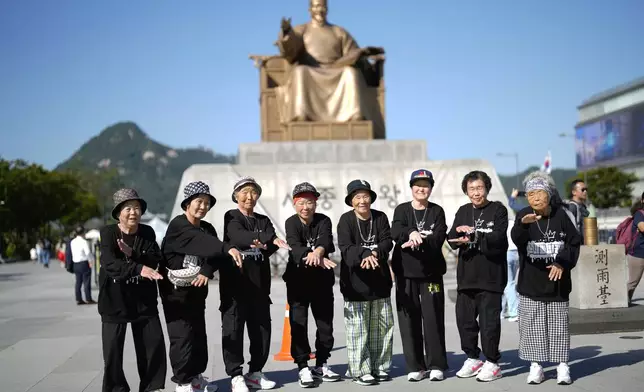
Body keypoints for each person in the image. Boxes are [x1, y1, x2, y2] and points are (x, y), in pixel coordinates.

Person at [160, 181, 243, 392]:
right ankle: (183, 382)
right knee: (182, 336)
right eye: (199, 202)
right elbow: (202, 243)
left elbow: (214, 254)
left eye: (207, 203)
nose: (203, 207)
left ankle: (195, 376)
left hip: (196, 292)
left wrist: (207, 270)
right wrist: (227, 248)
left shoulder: (207, 228)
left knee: (198, 335)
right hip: (175, 294)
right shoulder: (178, 225)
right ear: (187, 203)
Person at [221, 177, 291, 392]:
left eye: (253, 192)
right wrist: (264, 239)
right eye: (244, 192)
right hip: (236, 285)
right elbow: (238, 236)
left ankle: (256, 372)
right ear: (236, 196)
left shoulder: (262, 219)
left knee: (261, 330)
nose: (249, 197)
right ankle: (235, 375)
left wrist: (270, 242)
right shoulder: (231, 216)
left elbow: (271, 243)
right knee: (233, 330)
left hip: (259, 285)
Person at [511, 171, 581, 385]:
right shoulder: (524, 214)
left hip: (557, 284)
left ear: (549, 194)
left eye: (539, 193)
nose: (535, 198)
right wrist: (523, 225)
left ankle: (562, 366)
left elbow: (574, 242)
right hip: (531, 282)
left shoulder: (563, 214)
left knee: (559, 325)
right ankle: (536, 366)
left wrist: (562, 262)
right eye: (530, 194)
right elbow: (517, 240)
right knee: (532, 326)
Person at [98, 188, 167, 392]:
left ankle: (151, 387)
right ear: (118, 212)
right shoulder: (108, 233)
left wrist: (135, 254)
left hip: (143, 299)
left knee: (152, 345)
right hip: (114, 300)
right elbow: (110, 264)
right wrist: (138, 267)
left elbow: (156, 258)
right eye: (128, 208)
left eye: (136, 208)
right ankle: (117, 389)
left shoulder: (147, 232)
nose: (133, 212)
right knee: (112, 351)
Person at [275, 0, 383, 126]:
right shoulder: (302, 29)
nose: (319, 10)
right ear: (310, 10)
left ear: (327, 9)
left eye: (322, 6)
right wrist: (287, 32)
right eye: (316, 6)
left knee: (350, 73)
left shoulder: (339, 31)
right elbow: (291, 47)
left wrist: (364, 54)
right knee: (300, 71)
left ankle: (355, 115)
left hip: (336, 69)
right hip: (311, 70)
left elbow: (352, 53)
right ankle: (301, 115)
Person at [447, 170, 508, 382]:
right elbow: (451, 236)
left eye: (479, 188)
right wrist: (459, 235)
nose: (476, 192)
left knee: (489, 323)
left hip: (491, 277)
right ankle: (473, 357)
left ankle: (492, 362)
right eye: (471, 189)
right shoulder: (463, 210)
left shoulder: (498, 210)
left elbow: (500, 239)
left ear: (487, 189)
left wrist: (475, 235)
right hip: (466, 278)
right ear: (466, 191)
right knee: (465, 321)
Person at [390, 170, 448, 382]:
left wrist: (421, 241)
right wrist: (411, 232)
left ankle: (436, 364)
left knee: (433, 318)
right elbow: (395, 230)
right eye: (418, 184)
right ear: (411, 187)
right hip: (406, 274)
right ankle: (415, 366)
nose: (421, 188)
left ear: (431, 188)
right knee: (408, 319)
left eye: (426, 185)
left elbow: (439, 236)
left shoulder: (437, 211)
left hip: (431, 274)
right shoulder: (402, 210)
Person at [283, 182, 340, 387]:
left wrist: (318, 252)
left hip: (322, 283)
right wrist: (312, 255)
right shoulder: (291, 222)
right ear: (294, 204)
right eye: (301, 203)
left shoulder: (323, 220)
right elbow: (294, 246)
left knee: (325, 325)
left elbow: (326, 239)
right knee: (299, 326)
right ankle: (303, 367)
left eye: (309, 202)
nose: (305, 207)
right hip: (298, 283)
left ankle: (321, 363)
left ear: (316, 203)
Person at [337, 179, 394, 386]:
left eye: (365, 196)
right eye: (357, 197)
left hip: (380, 282)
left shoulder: (380, 217)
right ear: (351, 201)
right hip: (355, 284)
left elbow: (388, 241)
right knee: (358, 330)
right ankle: (359, 369)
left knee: (382, 328)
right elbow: (346, 248)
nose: (362, 201)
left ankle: (380, 366)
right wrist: (365, 252)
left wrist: (376, 252)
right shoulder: (346, 220)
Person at [70, 226, 96, 305]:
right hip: (84, 263)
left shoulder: (72, 241)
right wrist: (91, 260)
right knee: (86, 281)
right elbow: (88, 252)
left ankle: (79, 299)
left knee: (78, 282)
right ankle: (88, 298)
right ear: (83, 233)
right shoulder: (84, 242)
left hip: (76, 263)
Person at [502, 214, 519, 323]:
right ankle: (502, 311)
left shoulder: (500, 224)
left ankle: (514, 312)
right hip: (516, 252)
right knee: (510, 282)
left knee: (508, 283)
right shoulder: (512, 222)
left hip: (506, 252)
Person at [627, 194, 644, 302]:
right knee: (633, 282)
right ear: (643, 200)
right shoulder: (639, 214)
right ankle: (623, 300)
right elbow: (642, 227)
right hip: (638, 253)